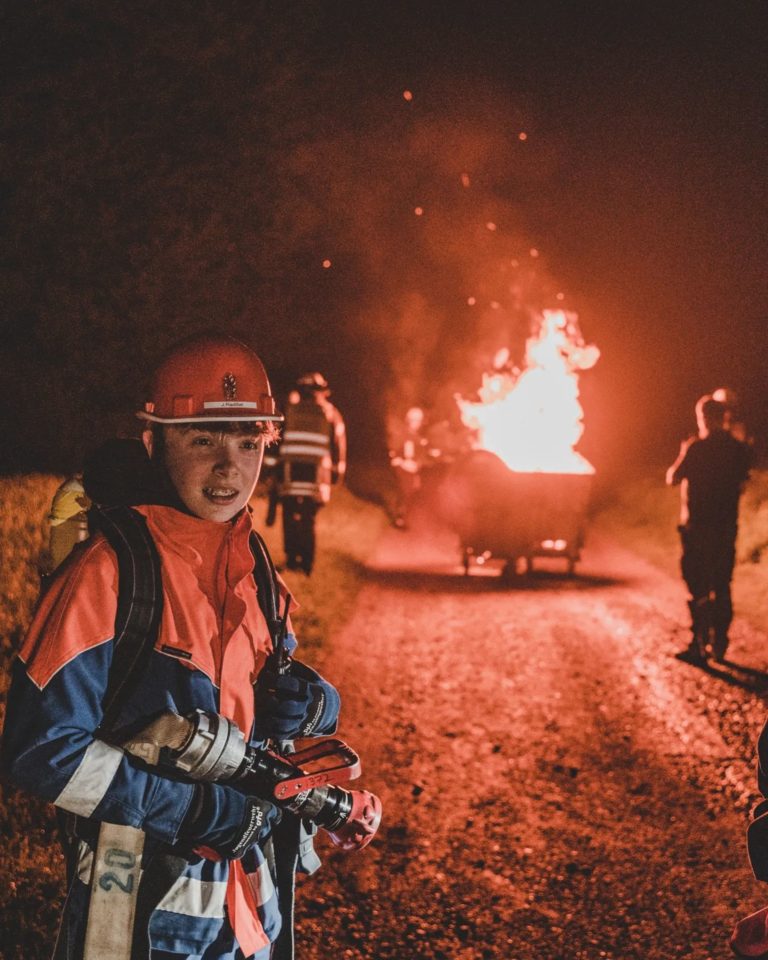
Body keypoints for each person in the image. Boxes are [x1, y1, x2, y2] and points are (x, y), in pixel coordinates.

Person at [1, 334, 344, 960]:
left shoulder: (256, 565)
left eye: (248, 444)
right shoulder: (109, 571)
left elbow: (269, 693)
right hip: (137, 919)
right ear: (154, 443)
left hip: (251, 913)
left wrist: (314, 702)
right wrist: (187, 810)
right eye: (203, 441)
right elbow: (41, 749)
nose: (229, 468)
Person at [666, 394, 751, 662]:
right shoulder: (738, 449)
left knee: (698, 586)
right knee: (722, 584)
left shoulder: (696, 448)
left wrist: (684, 451)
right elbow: (743, 481)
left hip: (698, 528)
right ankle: (720, 643)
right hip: (726, 528)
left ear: (703, 418)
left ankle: (699, 643)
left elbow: (672, 478)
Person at [266, 372, 346, 575]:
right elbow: (338, 445)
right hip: (316, 477)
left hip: (290, 474)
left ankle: (292, 560)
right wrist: (337, 472)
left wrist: (272, 471)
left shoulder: (288, 410)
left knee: (290, 517)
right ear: (322, 392)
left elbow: (275, 443)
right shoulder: (331, 413)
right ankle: (306, 563)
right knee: (308, 518)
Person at [387, 406, 430, 529]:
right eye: (414, 420)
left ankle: (401, 516)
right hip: (403, 469)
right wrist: (400, 462)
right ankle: (399, 519)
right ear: (408, 420)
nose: (416, 423)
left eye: (418, 421)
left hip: (412, 470)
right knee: (405, 493)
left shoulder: (417, 437)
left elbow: (420, 455)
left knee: (410, 492)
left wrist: (418, 463)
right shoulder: (402, 434)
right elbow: (393, 452)